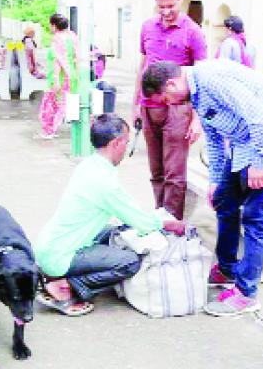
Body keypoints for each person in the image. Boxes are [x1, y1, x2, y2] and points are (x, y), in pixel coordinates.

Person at [141, 59, 263, 317]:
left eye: (166, 97)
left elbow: (258, 116)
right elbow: (214, 139)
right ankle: (227, 268)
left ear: (172, 83)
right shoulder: (196, 94)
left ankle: (247, 294)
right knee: (223, 201)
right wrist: (215, 180)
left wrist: (261, 162)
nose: (168, 104)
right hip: (243, 143)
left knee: (255, 217)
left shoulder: (211, 80)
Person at [34, 114, 186, 315]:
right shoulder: (105, 182)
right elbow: (140, 221)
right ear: (116, 143)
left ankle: (60, 277)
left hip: (49, 246)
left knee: (115, 232)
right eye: (127, 142)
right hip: (60, 257)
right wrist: (169, 224)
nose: (127, 148)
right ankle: (66, 285)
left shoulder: (89, 165)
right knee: (130, 261)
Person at [132, 0, 207, 221]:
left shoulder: (193, 32)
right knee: (156, 171)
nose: (166, 12)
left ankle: (171, 224)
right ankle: (159, 216)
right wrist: (135, 104)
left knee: (174, 174)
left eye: (170, 6)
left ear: (180, 1)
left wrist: (196, 119)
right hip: (149, 106)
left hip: (177, 109)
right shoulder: (147, 27)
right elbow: (142, 66)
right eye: (160, 6)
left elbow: (201, 79)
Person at [39, 13, 79, 139]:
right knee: (65, 104)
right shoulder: (73, 36)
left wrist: (56, 79)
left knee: (50, 104)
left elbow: (57, 60)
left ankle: (48, 131)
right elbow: (76, 57)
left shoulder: (57, 38)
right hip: (71, 76)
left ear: (54, 26)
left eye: (51, 25)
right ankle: (74, 132)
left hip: (59, 76)